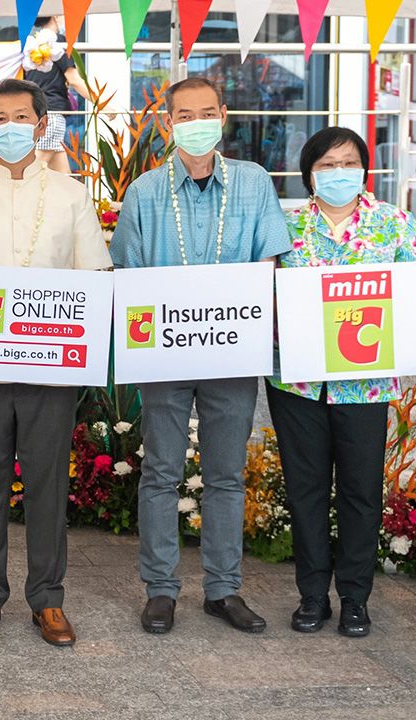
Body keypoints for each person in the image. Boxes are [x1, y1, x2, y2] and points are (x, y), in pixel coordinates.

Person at [0, 79, 112, 647]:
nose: (9, 126)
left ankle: (48, 600)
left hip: (50, 371)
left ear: (40, 124)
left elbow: (95, 278)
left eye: (20, 116)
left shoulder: (72, 195)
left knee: (47, 486)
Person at [109, 76, 290, 635]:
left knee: (226, 475)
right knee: (161, 472)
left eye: (206, 112)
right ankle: (160, 589)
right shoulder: (142, 193)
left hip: (232, 352)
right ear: (168, 123)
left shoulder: (255, 184)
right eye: (184, 114)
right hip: (164, 354)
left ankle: (223, 590)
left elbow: (269, 265)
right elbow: (128, 277)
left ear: (224, 115)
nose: (196, 122)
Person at [269, 127, 416, 637]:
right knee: (305, 490)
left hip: (364, 385)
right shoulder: (284, 227)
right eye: (327, 165)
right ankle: (312, 595)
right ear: (308, 173)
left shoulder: (396, 225)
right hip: (297, 384)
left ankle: (356, 599)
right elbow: (262, 297)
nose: (339, 173)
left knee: (360, 491)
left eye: (349, 162)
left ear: (365, 169)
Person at [23, 15, 90, 175]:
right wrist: (103, 103)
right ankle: (9, 198)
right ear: (54, 17)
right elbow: (74, 80)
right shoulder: (59, 43)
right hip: (51, 116)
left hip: (38, 113)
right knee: (32, 173)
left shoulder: (31, 45)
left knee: (63, 177)